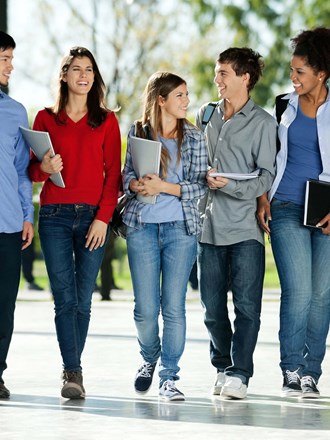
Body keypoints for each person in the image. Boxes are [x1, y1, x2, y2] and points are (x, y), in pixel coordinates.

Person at [28, 47, 121, 399]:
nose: (83, 75)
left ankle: (72, 367)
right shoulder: (45, 119)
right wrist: (45, 170)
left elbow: (113, 176)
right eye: (76, 69)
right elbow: (33, 172)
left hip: (93, 219)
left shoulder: (107, 120)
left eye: (89, 70)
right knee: (64, 299)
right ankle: (73, 371)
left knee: (84, 298)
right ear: (64, 75)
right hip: (53, 217)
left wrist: (102, 218)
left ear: (94, 78)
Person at [197, 47, 277, 399]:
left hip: (245, 229)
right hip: (207, 227)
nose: (217, 80)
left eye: (223, 73)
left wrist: (229, 184)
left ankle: (239, 373)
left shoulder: (263, 123)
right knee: (212, 309)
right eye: (217, 73)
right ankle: (221, 365)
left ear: (245, 77)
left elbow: (264, 179)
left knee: (246, 308)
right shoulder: (205, 115)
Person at [122, 71, 208, 401]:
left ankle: (169, 376)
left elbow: (200, 187)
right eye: (180, 95)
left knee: (173, 308)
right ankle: (149, 359)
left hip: (180, 231)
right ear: (161, 100)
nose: (187, 101)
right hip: (142, 227)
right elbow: (126, 174)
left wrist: (164, 187)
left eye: (187, 95)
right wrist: (134, 184)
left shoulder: (195, 138)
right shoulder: (138, 131)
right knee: (144, 309)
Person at [257, 27, 330, 398]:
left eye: (300, 71)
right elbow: (270, 156)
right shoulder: (283, 103)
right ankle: (291, 367)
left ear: (321, 73)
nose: (293, 77)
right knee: (298, 290)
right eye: (292, 70)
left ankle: (311, 371)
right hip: (285, 204)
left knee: (322, 294)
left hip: (326, 210)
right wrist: (262, 196)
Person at [0, 31, 34, 399]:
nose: (11, 65)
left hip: (7, 225)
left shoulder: (15, 111)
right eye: (4, 58)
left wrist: (27, 215)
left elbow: (22, 169)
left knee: (3, 305)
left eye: (11, 58)